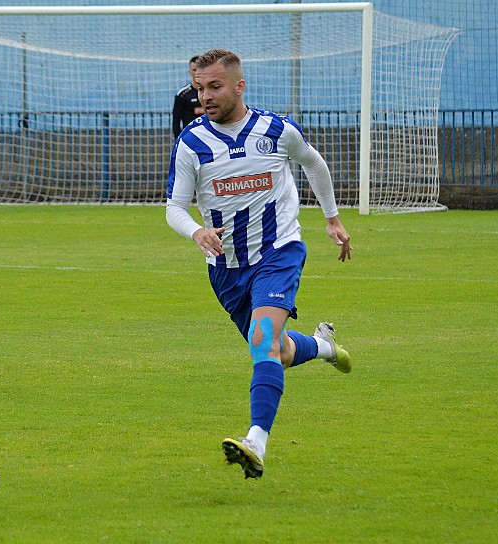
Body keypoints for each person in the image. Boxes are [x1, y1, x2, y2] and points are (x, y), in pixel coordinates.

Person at [165, 49, 353, 479]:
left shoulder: (276, 130)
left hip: (278, 253)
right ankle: (324, 346)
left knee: (263, 340)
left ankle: (256, 442)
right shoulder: (191, 143)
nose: (205, 96)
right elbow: (174, 206)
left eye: (214, 87)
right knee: (279, 351)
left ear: (238, 86)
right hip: (227, 267)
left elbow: (314, 163)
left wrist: (331, 218)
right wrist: (196, 231)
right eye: (200, 88)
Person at [172, 56, 206, 139]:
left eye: (200, 69)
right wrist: (179, 140)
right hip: (190, 138)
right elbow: (176, 122)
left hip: (211, 137)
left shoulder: (212, 92)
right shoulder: (182, 94)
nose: (197, 72)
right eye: (194, 70)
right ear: (190, 72)